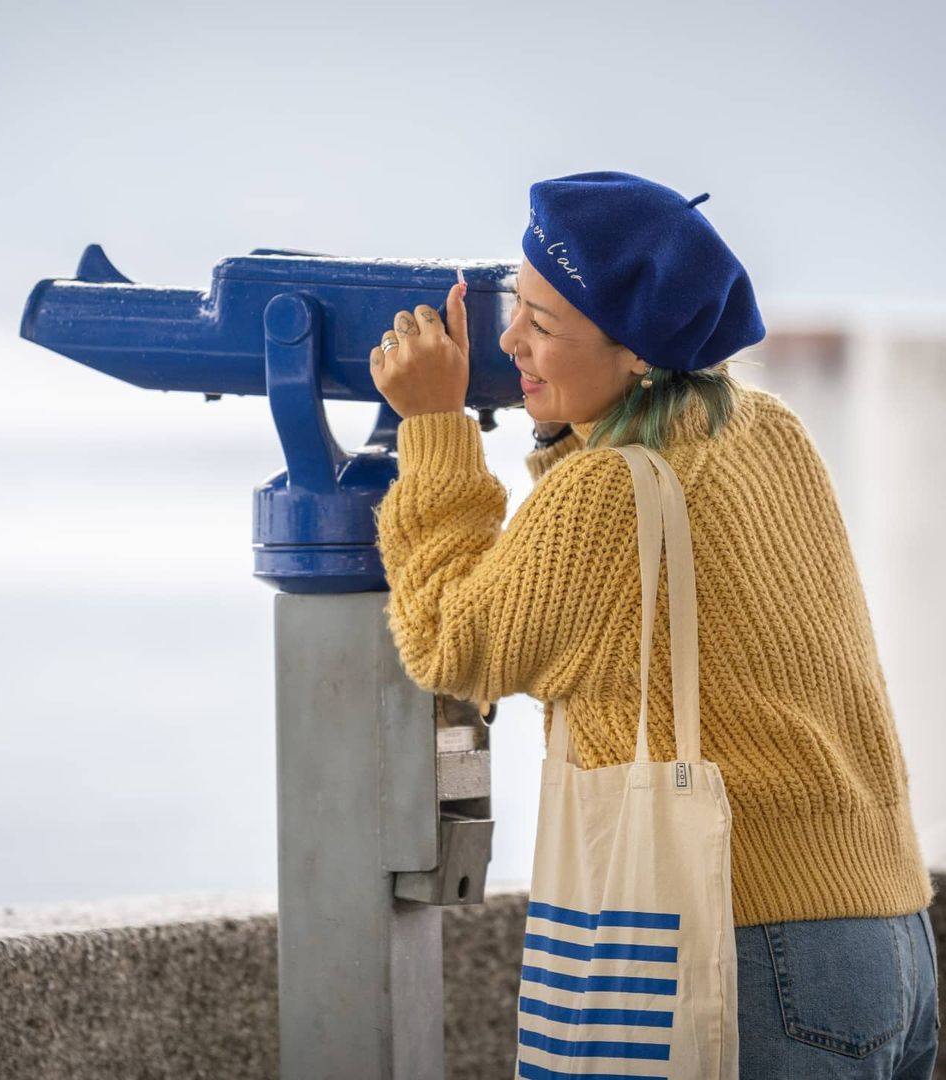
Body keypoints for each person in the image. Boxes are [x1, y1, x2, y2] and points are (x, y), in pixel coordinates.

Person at [369, 171, 940, 1077]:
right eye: (517, 304)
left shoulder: (608, 494)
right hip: (885, 938)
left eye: (544, 326)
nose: (510, 337)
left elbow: (452, 643)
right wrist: (561, 412)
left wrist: (434, 429)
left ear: (638, 352)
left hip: (748, 944)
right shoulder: (764, 428)